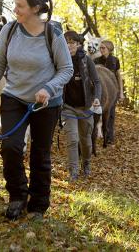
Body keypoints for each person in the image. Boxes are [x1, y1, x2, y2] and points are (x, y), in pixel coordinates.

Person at [0, 0, 72, 221]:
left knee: (40, 153)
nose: (14, 9)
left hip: (46, 103)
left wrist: (48, 88)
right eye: (15, 4)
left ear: (35, 9)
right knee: (10, 148)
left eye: (20, 6)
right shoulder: (9, 30)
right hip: (14, 98)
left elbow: (66, 69)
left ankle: (38, 204)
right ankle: (17, 196)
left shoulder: (53, 33)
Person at [61, 30, 101, 181]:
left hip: (86, 107)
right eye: (66, 42)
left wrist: (97, 98)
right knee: (72, 139)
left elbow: (97, 82)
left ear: (78, 44)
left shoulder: (86, 60)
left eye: (72, 42)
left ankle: (87, 163)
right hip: (67, 107)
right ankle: (73, 172)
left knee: (85, 141)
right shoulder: (59, 59)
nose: (68, 45)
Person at [95, 39, 122, 144]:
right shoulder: (96, 61)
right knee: (97, 112)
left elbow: (119, 76)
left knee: (110, 114)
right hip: (100, 91)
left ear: (109, 49)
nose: (101, 50)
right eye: (100, 48)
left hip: (113, 91)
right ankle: (96, 132)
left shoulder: (115, 60)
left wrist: (121, 92)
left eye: (103, 48)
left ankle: (109, 136)